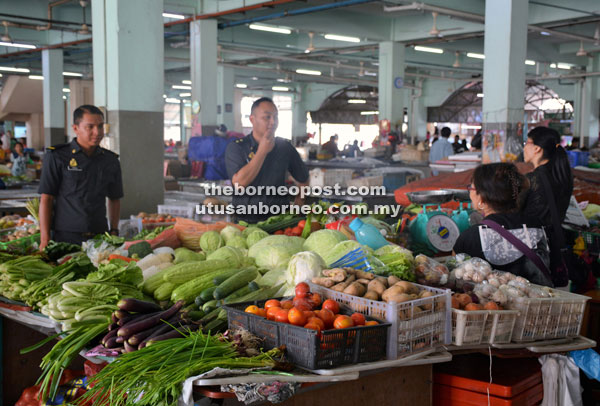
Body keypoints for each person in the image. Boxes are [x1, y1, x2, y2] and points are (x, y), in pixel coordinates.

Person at [38, 105, 123, 249]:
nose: (97, 132)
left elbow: (115, 198)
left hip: (99, 235)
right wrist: (44, 239)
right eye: (90, 127)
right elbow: (46, 198)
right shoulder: (57, 156)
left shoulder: (110, 160)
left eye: (100, 126)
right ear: (75, 128)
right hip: (66, 237)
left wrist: (114, 229)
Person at [453, 163, 552, 286]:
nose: (470, 193)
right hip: (542, 301)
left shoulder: (470, 238)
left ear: (482, 199)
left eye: (471, 188)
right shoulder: (538, 224)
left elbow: (456, 277)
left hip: (496, 305)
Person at [225, 97, 309, 224]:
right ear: (252, 119)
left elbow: (304, 179)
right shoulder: (237, 147)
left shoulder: (284, 147)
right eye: (267, 117)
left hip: (278, 222)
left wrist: (299, 203)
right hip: (245, 221)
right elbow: (239, 184)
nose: (273, 122)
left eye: (276, 117)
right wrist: (262, 151)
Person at [520, 126, 574, 283]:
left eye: (526, 142)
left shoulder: (532, 179)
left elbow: (516, 212)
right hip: (555, 248)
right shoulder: (562, 176)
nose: (524, 147)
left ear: (537, 148)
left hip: (533, 251)